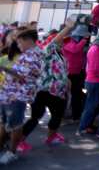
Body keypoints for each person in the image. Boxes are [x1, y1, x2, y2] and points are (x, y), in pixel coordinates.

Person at [18, 21, 75, 151]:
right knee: (36, 116)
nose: (62, 43)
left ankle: (51, 137)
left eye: (63, 42)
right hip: (44, 90)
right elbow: (54, 43)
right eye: (60, 41)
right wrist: (67, 28)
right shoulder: (46, 52)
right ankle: (19, 141)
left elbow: (61, 72)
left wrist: (68, 82)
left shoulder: (62, 57)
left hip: (57, 92)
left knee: (57, 115)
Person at [0, 28, 43, 165]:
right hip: (9, 95)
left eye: (19, 43)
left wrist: (5, 69)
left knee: (15, 125)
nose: (18, 45)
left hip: (16, 96)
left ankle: (12, 152)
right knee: (6, 123)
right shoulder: (28, 54)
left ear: (29, 41)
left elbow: (21, 76)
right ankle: (5, 147)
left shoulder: (32, 55)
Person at [62, 23, 91, 123]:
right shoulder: (68, 40)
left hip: (76, 72)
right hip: (68, 73)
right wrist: (84, 40)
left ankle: (76, 115)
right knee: (65, 94)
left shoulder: (77, 41)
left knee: (77, 94)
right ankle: (62, 116)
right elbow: (74, 49)